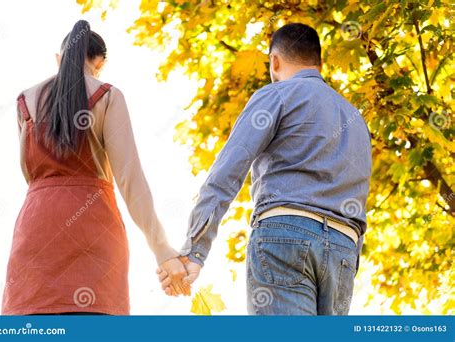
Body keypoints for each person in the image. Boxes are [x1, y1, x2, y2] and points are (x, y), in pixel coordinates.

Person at [157, 23, 372, 315]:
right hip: (344, 246)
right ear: (319, 64)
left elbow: (226, 173)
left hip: (285, 235)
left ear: (275, 61)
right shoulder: (355, 119)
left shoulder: (276, 95)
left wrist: (195, 250)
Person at [2, 20, 189, 316]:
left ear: (59, 59)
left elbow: (29, 174)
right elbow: (130, 179)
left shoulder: (25, 100)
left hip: (35, 234)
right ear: (99, 63)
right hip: (95, 233)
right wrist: (162, 250)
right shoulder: (107, 96)